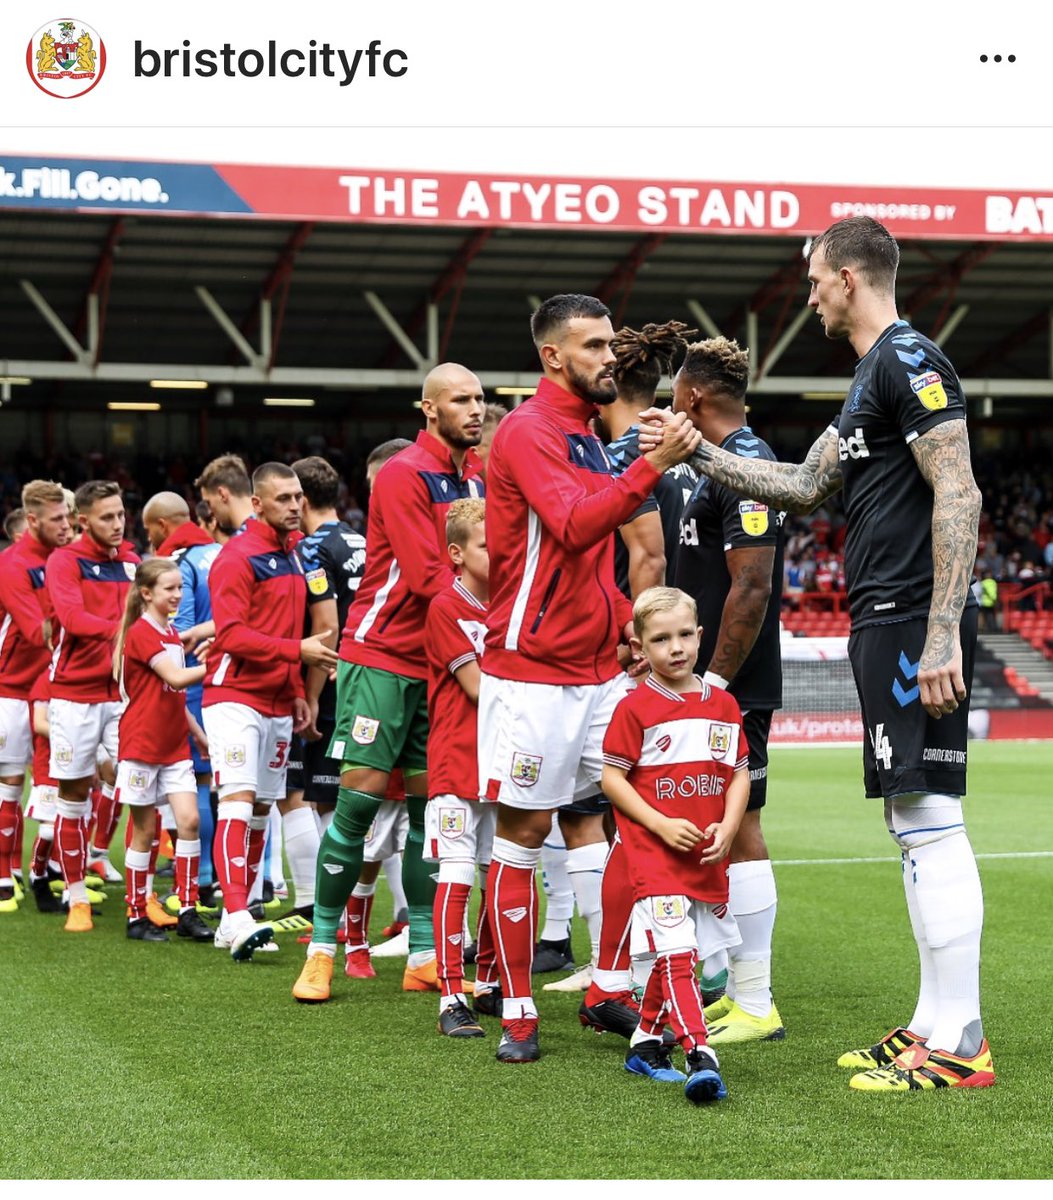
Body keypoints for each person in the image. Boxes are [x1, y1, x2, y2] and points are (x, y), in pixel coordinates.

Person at [652, 216, 989, 1092]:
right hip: (884, 614)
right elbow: (799, 486)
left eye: (811, 281)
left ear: (846, 276)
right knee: (909, 821)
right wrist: (704, 453)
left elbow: (957, 486)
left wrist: (941, 628)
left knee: (930, 819)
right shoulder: (868, 379)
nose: (805, 298)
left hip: (914, 613)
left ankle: (960, 1040)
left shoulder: (909, 359)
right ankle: (929, 1024)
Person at [477, 292, 701, 1063]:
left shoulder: (580, 431)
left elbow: (586, 559)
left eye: (611, 344)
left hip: (597, 667)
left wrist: (621, 626)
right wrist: (651, 465)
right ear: (553, 357)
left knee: (616, 825)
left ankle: (606, 984)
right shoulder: (528, 430)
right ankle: (515, 1009)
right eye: (595, 346)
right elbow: (573, 526)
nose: (611, 356)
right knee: (523, 833)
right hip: (532, 671)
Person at [293, 364, 485, 1004]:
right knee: (358, 804)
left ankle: (425, 953)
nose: (474, 408)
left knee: (434, 812)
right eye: (460, 399)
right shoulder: (403, 474)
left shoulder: (479, 476)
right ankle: (321, 951)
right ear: (428, 409)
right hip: (384, 656)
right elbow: (432, 576)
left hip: (444, 660)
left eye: (480, 398)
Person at [671, 336, 787, 1043]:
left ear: (692, 398)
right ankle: (740, 992)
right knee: (720, 831)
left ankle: (755, 1001)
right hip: (707, 684)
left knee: (740, 831)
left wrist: (713, 681)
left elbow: (751, 585)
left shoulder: (747, 463)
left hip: (730, 687)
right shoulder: (712, 465)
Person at [602, 587, 748, 1103]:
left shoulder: (723, 704)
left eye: (685, 634)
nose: (676, 647)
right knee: (677, 948)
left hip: (704, 850)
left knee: (678, 950)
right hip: (653, 850)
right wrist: (661, 825)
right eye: (661, 639)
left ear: (700, 635)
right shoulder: (635, 708)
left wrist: (729, 825)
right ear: (640, 647)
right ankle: (699, 1053)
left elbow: (738, 773)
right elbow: (613, 780)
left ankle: (644, 1046)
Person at [203, 462, 339, 961]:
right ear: (256, 503)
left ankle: (234, 914)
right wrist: (296, 653)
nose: (294, 506)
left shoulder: (302, 555)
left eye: (298, 497)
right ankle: (238, 912)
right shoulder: (236, 557)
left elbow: (310, 625)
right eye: (282, 498)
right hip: (234, 694)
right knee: (238, 801)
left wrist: (302, 691)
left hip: (280, 700)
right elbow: (231, 634)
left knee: (262, 809)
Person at [45, 480, 139, 933]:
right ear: (84, 520)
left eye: (121, 515)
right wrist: (124, 633)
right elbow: (72, 619)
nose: (118, 524)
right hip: (74, 694)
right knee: (75, 791)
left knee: (141, 785)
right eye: (107, 517)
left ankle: (143, 899)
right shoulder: (64, 560)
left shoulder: (134, 563)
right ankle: (76, 893)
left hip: (122, 694)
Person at [423, 498, 496, 1036]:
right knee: (457, 870)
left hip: (504, 761)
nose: (501, 553)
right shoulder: (446, 607)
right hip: (456, 760)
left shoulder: (512, 606)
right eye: (487, 544)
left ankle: (492, 982)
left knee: (506, 873)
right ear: (457, 554)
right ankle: (451, 995)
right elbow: (477, 688)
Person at [112, 559, 213, 943]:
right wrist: (216, 663)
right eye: (169, 589)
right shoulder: (142, 633)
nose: (177, 595)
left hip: (174, 745)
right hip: (141, 744)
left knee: (188, 822)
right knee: (145, 830)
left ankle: (187, 909)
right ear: (147, 592)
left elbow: (174, 693)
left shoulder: (171, 632)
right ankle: (137, 914)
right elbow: (175, 677)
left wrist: (198, 733)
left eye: (179, 588)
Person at [286, 455, 367, 926]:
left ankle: (318, 906)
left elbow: (326, 629)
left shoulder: (312, 550)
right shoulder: (363, 540)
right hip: (365, 677)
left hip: (331, 679)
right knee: (363, 799)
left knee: (316, 796)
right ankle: (390, 909)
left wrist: (312, 693)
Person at [143, 490, 222, 909]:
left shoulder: (181, 563)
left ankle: (203, 877)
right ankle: (257, 881)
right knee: (240, 791)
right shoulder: (222, 553)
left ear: (160, 527)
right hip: (230, 684)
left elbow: (182, 630)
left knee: (198, 782)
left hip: (192, 683)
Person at [0, 481, 71, 912]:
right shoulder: (13, 565)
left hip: (56, 686)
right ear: (32, 521)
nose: (67, 526)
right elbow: (35, 631)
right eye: (58, 519)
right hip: (12, 688)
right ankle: (3, 875)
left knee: (62, 783)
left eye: (68, 517)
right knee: (10, 786)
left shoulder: (63, 558)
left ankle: (50, 871)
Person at [601, 320, 699, 599]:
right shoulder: (686, 453)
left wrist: (642, 639)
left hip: (645, 624)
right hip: (685, 620)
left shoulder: (620, 457)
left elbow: (649, 560)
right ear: (653, 394)